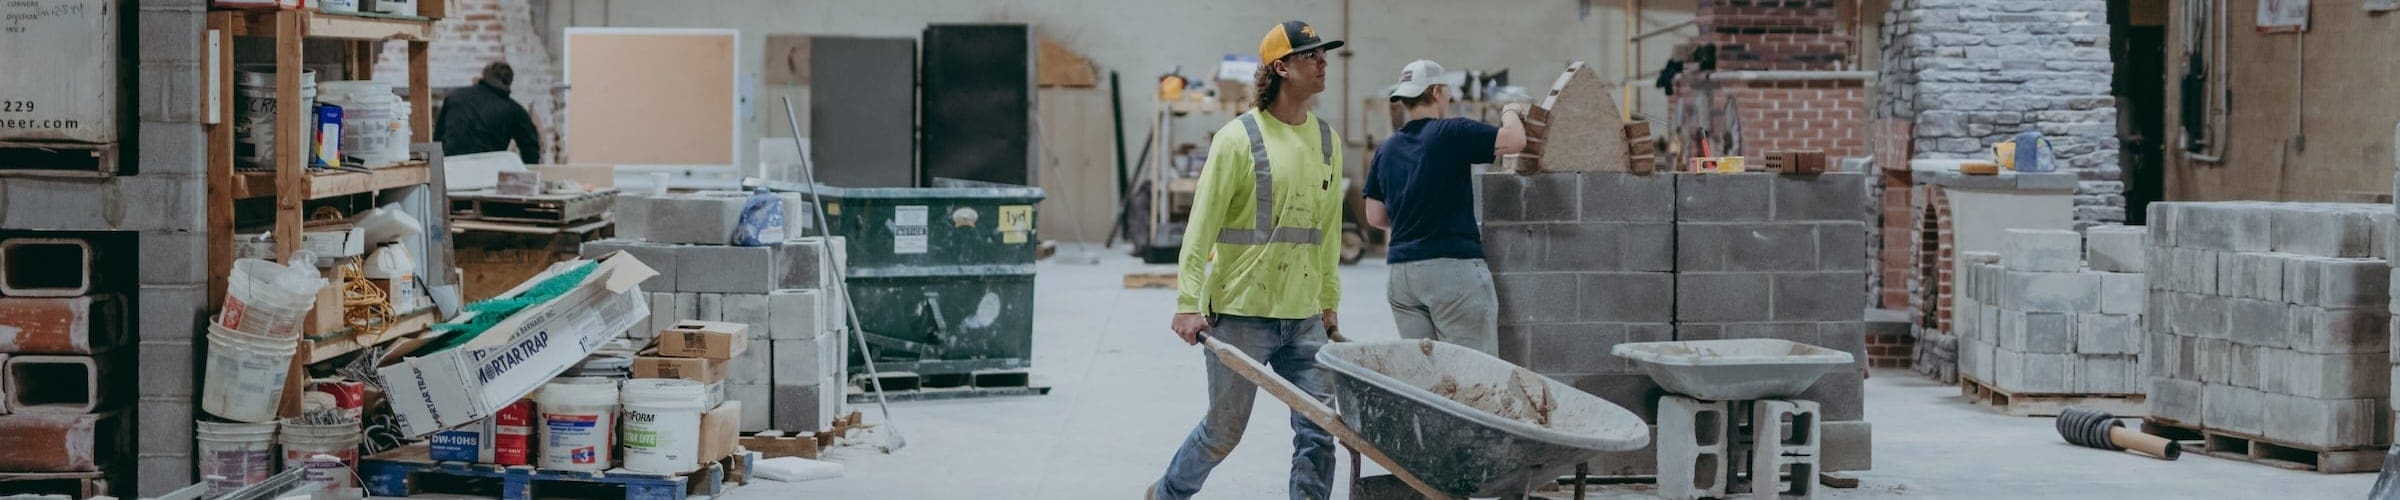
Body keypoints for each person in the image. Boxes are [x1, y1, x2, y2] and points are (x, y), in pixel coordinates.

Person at [1151, 20, 1347, 500]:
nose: (1323, 64)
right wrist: (1187, 302)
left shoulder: (1327, 141)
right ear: (1280, 67)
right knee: (1224, 432)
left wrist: (1328, 300)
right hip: (1241, 313)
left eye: (1325, 55)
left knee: (1320, 431)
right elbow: (1201, 227)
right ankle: (1169, 493)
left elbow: (1327, 232)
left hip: (1302, 316)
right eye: (1310, 56)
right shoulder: (1238, 139)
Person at [1361, 59, 1528, 356]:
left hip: (1402, 278)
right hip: (1451, 273)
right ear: (1437, 91)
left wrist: (1415, 216)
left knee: (1427, 379)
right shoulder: (1451, 132)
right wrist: (1511, 111)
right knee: (1474, 377)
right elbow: (1515, 140)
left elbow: (1375, 216)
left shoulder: (1385, 150)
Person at [436, 62, 542, 164]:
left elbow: (437, 138)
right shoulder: (514, 110)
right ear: (509, 83)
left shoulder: (455, 97)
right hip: (488, 172)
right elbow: (531, 149)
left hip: (450, 169)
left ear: (484, 76)